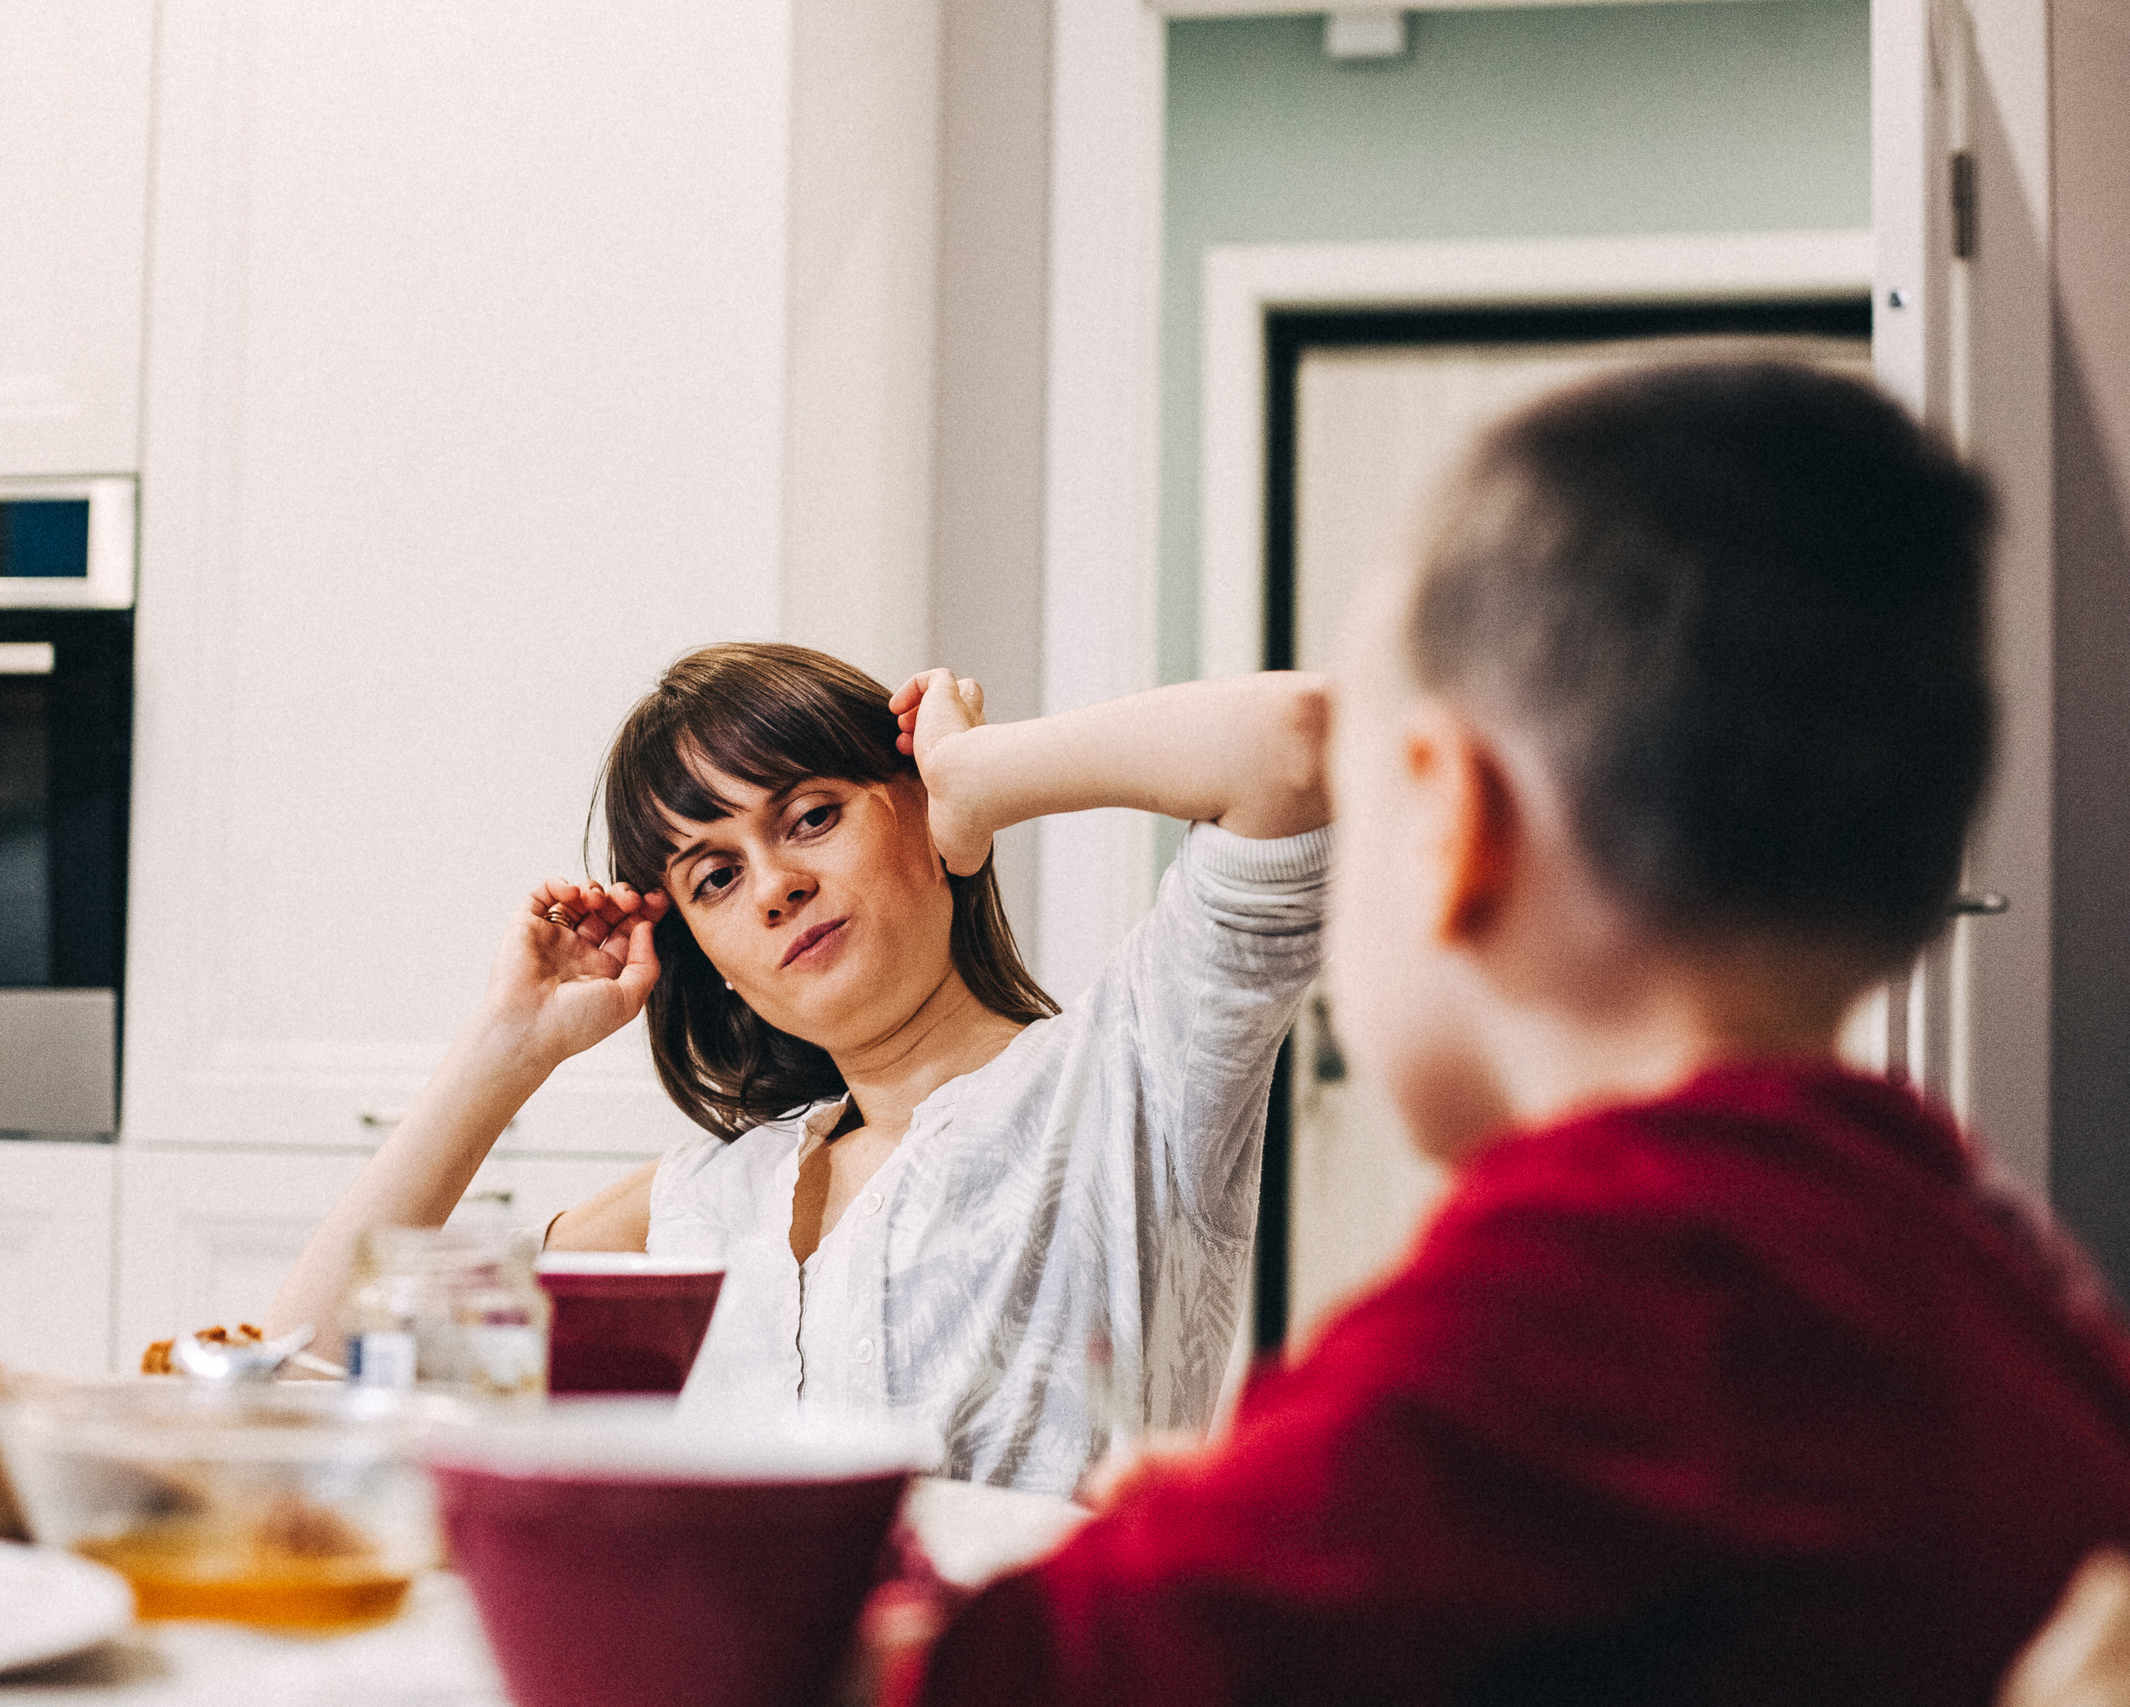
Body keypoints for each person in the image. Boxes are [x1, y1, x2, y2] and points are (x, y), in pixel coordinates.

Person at [887, 360, 2130, 1705]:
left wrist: (1170, 1549)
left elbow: (999, 1678)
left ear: (1445, 820)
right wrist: (1261, 1507)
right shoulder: (1986, 1256)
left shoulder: (1602, 1285)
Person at [270, 642, 1332, 1493]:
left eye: (811, 817)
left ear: (920, 812)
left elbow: (1297, 742)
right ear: (713, 962)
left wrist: (974, 777)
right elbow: (297, 1372)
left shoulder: (1129, 1078)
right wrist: (505, 1051)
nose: (775, 886)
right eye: (716, 878)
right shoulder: (700, 1203)